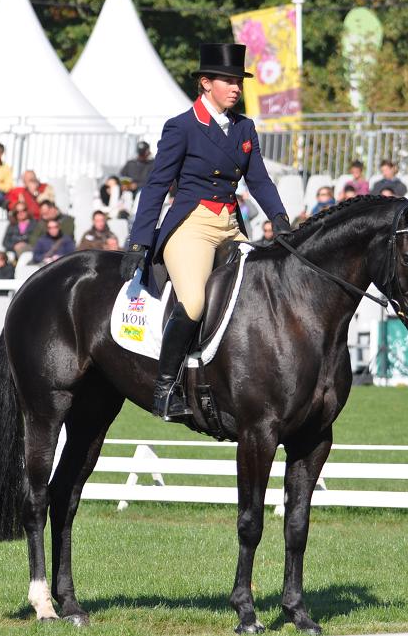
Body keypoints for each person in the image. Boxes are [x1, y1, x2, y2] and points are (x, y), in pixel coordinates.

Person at [121, 43, 292, 421]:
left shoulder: (245, 126)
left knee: (262, 291)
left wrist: (280, 218)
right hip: (191, 225)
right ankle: (165, 389)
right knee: (195, 302)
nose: (236, 87)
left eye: (239, 81)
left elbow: (259, 179)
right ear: (205, 83)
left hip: (230, 225)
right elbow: (155, 185)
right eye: (228, 81)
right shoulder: (181, 127)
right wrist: (140, 239)